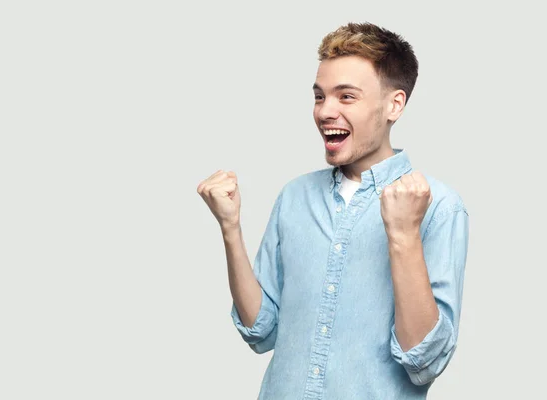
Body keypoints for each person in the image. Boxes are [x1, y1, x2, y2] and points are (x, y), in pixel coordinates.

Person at [197, 22, 470, 400]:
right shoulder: (295, 196)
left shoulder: (440, 208)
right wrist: (230, 228)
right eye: (319, 96)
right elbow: (261, 331)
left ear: (395, 104)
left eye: (346, 97)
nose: (325, 111)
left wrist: (404, 235)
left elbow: (423, 363)